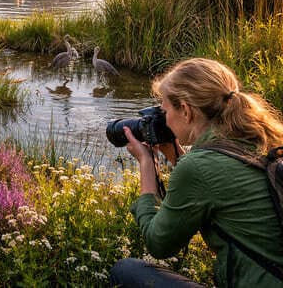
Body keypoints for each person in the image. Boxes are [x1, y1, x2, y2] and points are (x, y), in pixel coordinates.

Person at [110, 58, 283, 287]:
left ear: (186, 110)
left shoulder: (198, 166)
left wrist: (146, 163)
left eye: (165, 111)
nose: (165, 120)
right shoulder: (265, 138)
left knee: (126, 271)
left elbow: (159, 244)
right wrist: (174, 155)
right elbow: (222, 180)